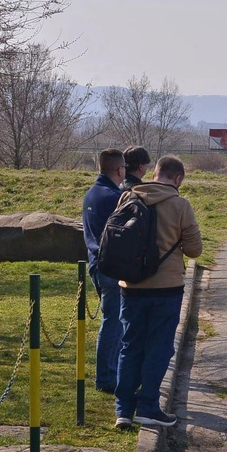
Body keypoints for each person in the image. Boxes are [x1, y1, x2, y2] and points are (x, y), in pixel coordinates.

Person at [114, 156, 203, 429]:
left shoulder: (127, 198)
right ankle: (149, 406)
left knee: (130, 346)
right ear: (177, 179)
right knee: (159, 348)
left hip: (130, 287)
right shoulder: (180, 205)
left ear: (154, 174)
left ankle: (123, 410)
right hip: (166, 289)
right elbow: (194, 250)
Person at [82, 148, 126, 394]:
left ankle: (112, 372)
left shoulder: (91, 193)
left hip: (96, 263)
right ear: (120, 170)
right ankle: (107, 377)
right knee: (113, 323)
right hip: (111, 266)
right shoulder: (113, 197)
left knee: (112, 321)